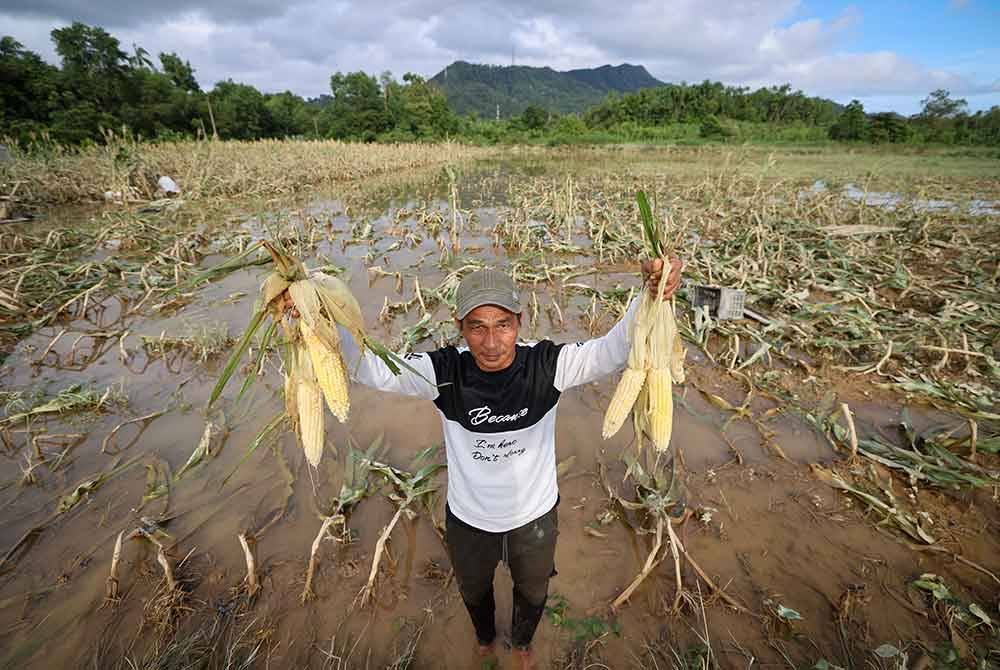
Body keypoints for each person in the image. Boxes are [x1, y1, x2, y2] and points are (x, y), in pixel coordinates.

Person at [287, 257, 682, 669]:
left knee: (532, 592)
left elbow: (613, 350)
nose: (491, 342)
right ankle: (484, 638)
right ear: (460, 328)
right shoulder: (442, 372)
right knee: (474, 591)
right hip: (469, 521)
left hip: (534, 518)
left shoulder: (548, 366)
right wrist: (315, 315)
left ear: (520, 322)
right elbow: (369, 368)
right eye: (477, 327)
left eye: (503, 325)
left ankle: (523, 643)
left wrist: (650, 293)